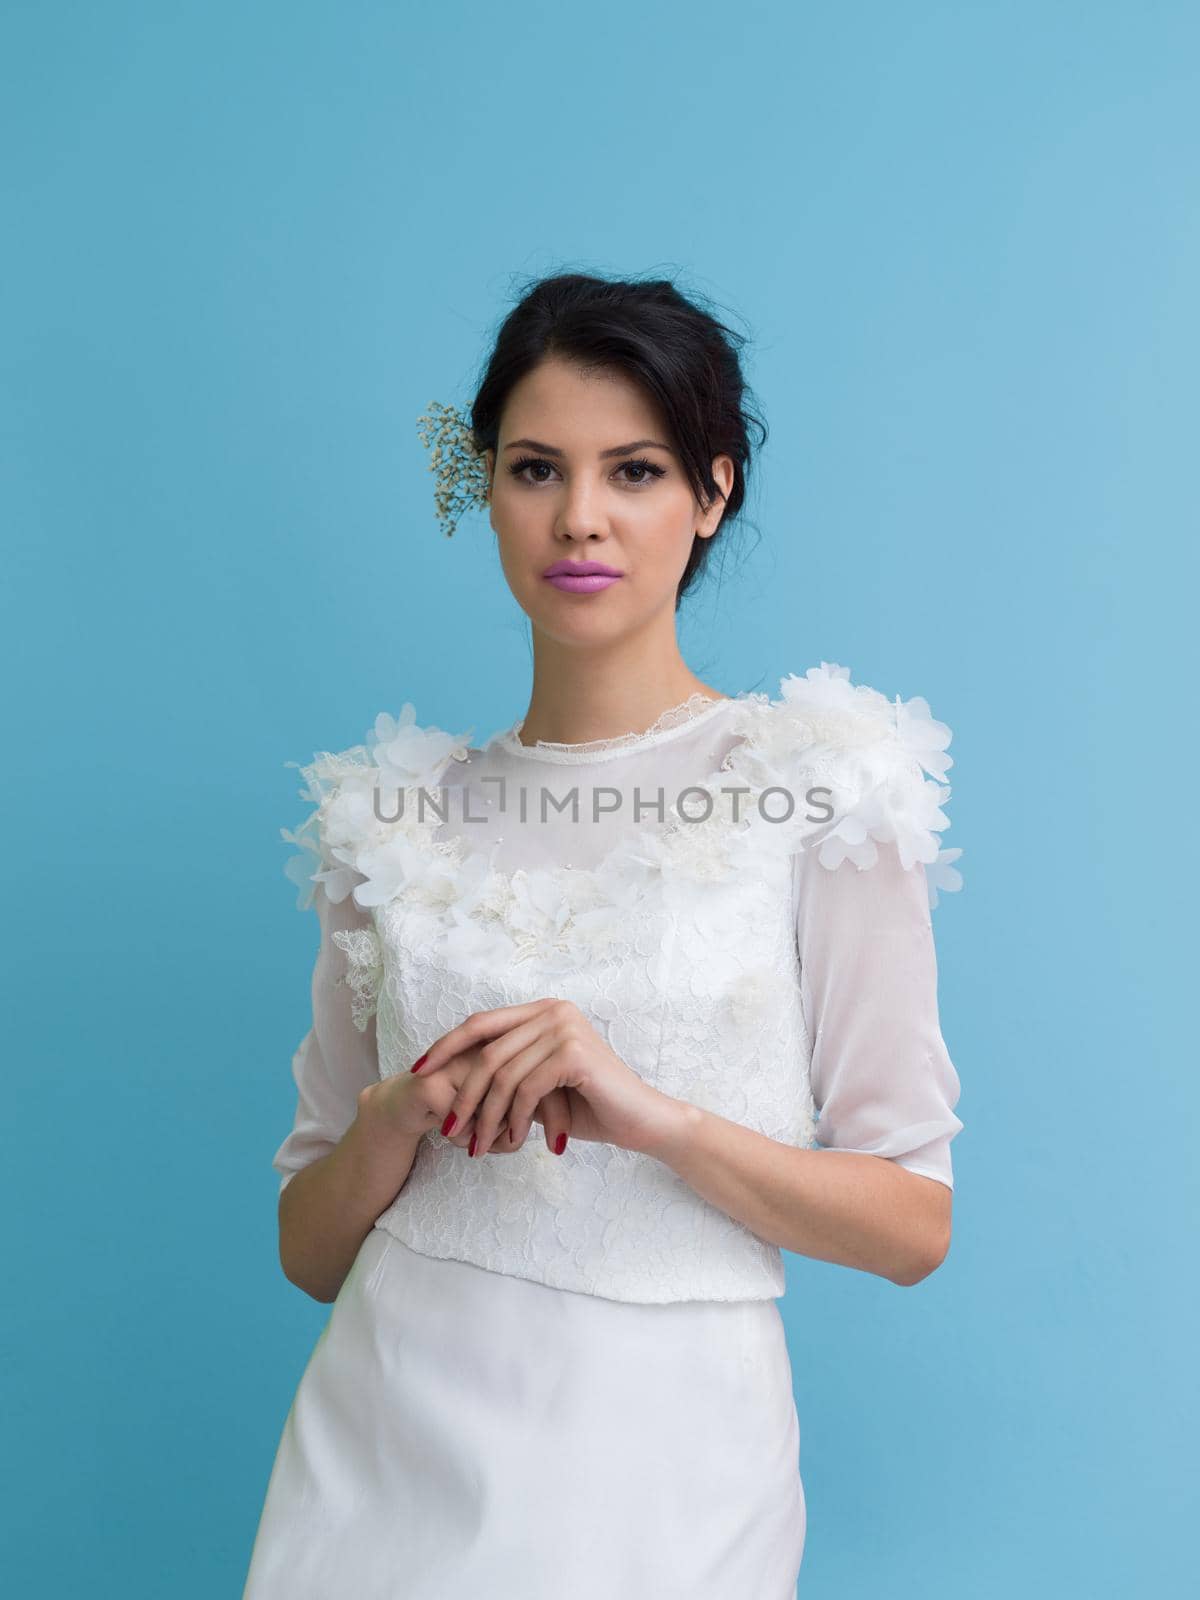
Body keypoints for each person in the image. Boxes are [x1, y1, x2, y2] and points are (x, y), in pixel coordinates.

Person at [242, 271, 965, 1598]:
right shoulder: (390, 815)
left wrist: (657, 1119)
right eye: (535, 469)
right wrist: (401, 1114)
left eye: (634, 470)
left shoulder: (817, 788)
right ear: (486, 490)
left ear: (714, 490)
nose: (580, 518)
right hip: (386, 1440)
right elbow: (307, 1249)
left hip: (668, 1458)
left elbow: (913, 1222)